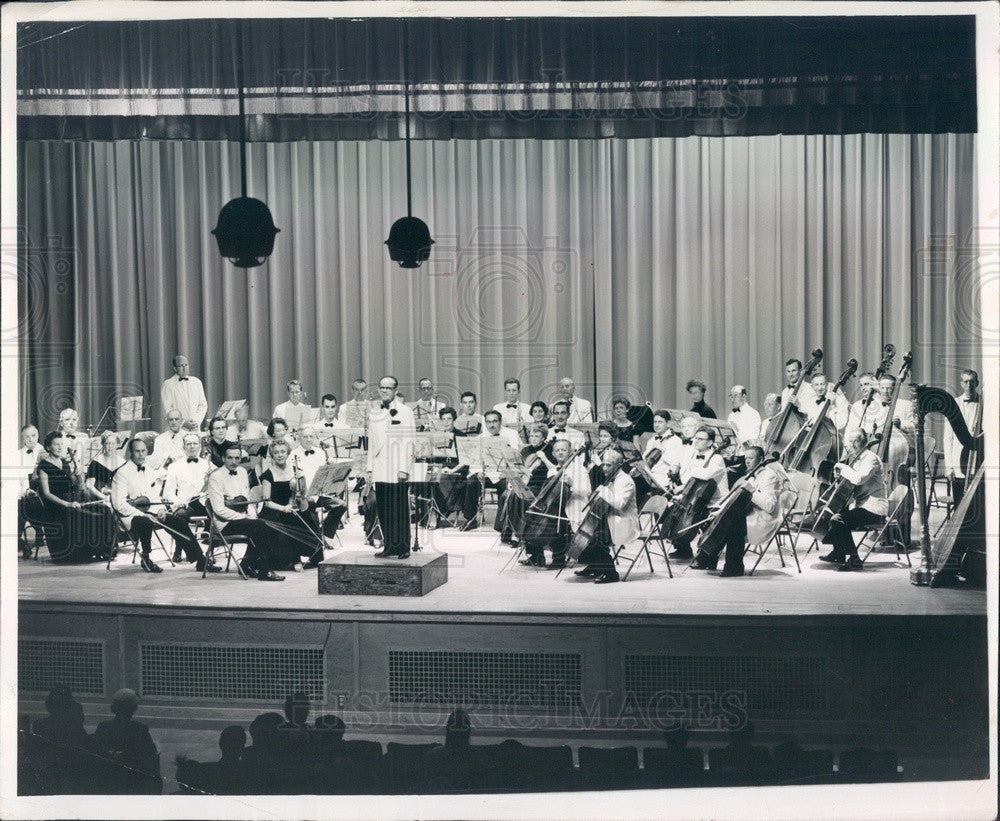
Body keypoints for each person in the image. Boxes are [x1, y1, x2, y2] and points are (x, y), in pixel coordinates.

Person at [111, 438, 214, 573]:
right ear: (131, 452)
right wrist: (143, 514)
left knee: (178, 522)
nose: (141, 454)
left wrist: (160, 509)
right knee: (145, 522)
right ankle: (146, 558)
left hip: (151, 512)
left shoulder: (148, 470)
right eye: (137, 451)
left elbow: (154, 496)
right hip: (130, 515)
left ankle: (200, 560)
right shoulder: (122, 473)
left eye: (143, 451)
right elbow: (119, 503)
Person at [691, 446, 784, 577]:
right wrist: (720, 510)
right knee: (724, 518)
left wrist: (751, 490)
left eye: (751, 458)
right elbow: (734, 502)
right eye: (746, 458)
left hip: (765, 519)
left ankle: (733, 567)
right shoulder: (750, 475)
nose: (747, 461)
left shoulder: (770, 477)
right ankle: (709, 558)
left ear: (761, 459)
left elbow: (769, 506)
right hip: (749, 514)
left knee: (733, 523)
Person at [206, 445, 285, 581]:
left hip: (244, 519)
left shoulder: (242, 472)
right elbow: (219, 510)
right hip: (224, 523)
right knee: (260, 526)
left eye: (237, 458)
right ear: (223, 458)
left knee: (267, 523)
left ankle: (247, 564)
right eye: (230, 458)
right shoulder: (215, 477)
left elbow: (247, 499)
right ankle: (264, 570)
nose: (234, 461)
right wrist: (244, 517)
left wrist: (251, 515)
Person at [35, 431, 116, 563]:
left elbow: (76, 486)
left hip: (72, 501)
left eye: (61, 444)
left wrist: (78, 476)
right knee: (81, 515)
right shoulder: (44, 465)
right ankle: (83, 554)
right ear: (48, 447)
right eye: (56, 444)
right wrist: (67, 504)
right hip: (56, 507)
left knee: (104, 510)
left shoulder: (64, 462)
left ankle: (104, 551)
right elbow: (46, 493)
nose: (60, 447)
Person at [818, 428, 888, 572]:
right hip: (863, 507)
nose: (853, 444)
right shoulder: (856, 461)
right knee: (834, 514)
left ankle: (855, 559)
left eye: (856, 441)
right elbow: (851, 488)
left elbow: (858, 479)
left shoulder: (871, 459)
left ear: (864, 442)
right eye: (850, 441)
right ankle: (839, 553)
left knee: (838, 519)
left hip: (875, 509)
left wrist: (843, 468)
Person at [573, 446, 640, 584]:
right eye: (603, 464)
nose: (604, 468)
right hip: (611, 519)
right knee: (582, 532)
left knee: (596, 537)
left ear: (619, 465)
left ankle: (610, 573)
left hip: (624, 523)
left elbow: (620, 503)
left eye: (608, 465)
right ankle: (596, 566)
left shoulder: (625, 480)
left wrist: (603, 491)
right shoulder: (611, 478)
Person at [367, 376, 417, 559]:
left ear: (395, 390)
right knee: (384, 509)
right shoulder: (374, 413)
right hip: (380, 468)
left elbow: (410, 441)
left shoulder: (405, 411)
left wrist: (405, 468)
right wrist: (369, 469)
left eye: (388, 387)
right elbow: (372, 443)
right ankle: (389, 545)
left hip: (397, 468)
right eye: (382, 387)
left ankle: (403, 547)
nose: (385, 390)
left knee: (399, 509)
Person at [522, 439, 590, 569]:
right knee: (535, 515)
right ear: (552, 454)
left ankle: (558, 558)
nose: (560, 453)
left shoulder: (579, 469)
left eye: (563, 450)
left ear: (570, 452)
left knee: (556, 519)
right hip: (555, 506)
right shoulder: (552, 471)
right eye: (557, 450)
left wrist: (572, 485)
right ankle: (536, 554)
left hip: (575, 505)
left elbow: (587, 490)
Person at [259, 439, 323, 570]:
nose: (280, 455)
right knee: (288, 520)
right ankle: (294, 559)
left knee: (306, 515)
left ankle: (314, 557)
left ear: (288, 453)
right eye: (276, 452)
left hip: (293, 506)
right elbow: (266, 502)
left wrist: (302, 479)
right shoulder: (267, 475)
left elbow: (303, 495)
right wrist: (283, 508)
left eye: (283, 451)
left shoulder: (296, 471)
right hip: (275, 510)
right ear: (272, 455)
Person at [668, 426, 729, 560]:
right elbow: (692, 480)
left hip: (716, 502)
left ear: (710, 442)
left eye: (700, 439)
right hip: (698, 498)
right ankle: (683, 549)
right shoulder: (694, 457)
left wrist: (685, 483)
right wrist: (683, 492)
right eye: (696, 438)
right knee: (674, 510)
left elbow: (704, 476)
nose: (696, 441)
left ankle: (706, 555)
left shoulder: (716, 459)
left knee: (697, 519)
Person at [93, 688, 161, 794]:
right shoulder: (140, 729)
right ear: (133, 708)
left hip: (108, 780)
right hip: (132, 781)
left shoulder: (103, 727)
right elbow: (150, 754)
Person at [163, 432, 212, 559]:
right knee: (180, 516)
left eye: (195, 443)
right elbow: (168, 491)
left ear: (200, 446)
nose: (192, 446)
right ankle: (179, 550)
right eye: (188, 444)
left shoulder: (208, 465)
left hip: (203, 504)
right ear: (183, 447)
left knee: (216, 513)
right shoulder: (174, 466)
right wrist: (178, 502)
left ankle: (210, 551)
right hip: (184, 505)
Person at [477, 410, 522, 539]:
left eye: (495, 421)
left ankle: (504, 528)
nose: (491, 425)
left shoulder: (512, 434)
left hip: (505, 474)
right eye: (488, 422)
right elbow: (475, 460)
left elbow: (517, 457)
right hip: (487, 473)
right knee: (471, 482)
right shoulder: (480, 438)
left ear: (500, 422)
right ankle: (471, 519)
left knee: (505, 489)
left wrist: (507, 471)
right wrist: (479, 471)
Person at [943, 369, 982, 504]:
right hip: (958, 461)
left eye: (972, 382)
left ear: (977, 383)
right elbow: (948, 438)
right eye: (966, 382)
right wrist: (949, 468)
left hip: (978, 461)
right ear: (961, 384)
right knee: (959, 503)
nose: (969, 385)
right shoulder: (954, 404)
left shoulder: (985, 403)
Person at [160, 355, 208, 429]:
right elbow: (167, 409)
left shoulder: (197, 382)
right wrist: (183, 423)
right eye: (181, 366)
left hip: (195, 427)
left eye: (186, 365)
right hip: (177, 428)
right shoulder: (168, 384)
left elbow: (203, 405)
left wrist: (196, 421)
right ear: (175, 368)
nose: (184, 368)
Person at [17, 424, 43, 557]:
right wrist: (26, 490)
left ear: (38, 435)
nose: (31, 439)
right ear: (23, 438)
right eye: (27, 437)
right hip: (27, 488)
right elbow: (20, 478)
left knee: (24, 506)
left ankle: (20, 541)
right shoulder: (18, 455)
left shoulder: (45, 451)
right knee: (22, 504)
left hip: (44, 488)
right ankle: (21, 541)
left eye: (33, 436)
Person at [84, 430, 125, 498]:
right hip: (100, 497)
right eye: (107, 443)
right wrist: (104, 497)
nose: (110, 446)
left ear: (117, 445)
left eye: (113, 443)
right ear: (103, 444)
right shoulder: (96, 462)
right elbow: (89, 485)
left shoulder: (123, 462)